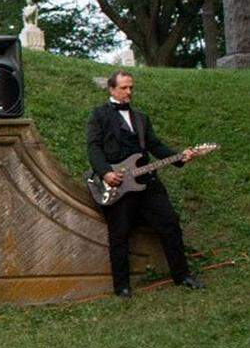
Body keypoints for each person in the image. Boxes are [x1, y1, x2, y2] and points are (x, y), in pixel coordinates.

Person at [86, 70, 204, 298]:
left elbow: (155, 146)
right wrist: (106, 172)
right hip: (119, 184)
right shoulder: (99, 115)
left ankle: (182, 276)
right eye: (124, 88)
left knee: (170, 224)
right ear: (111, 89)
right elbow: (93, 147)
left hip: (147, 181)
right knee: (119, 234)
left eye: (131, 87)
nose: (129, 92)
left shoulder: (141, 118)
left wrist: (180, 157)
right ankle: (122, 287)